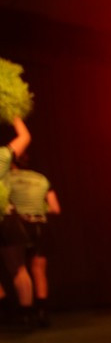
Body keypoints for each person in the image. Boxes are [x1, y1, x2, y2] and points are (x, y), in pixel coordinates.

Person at [7, 152, 57, 326]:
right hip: (41, 225)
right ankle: (43, 312)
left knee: (19, 269)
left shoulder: (7, 179)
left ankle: (25, 312)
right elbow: (55, 208)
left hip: (19, 226)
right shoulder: (42, 179)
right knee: (39, 270)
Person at [0, 116, 33, 324]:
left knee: (18, 268)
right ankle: (26, 314)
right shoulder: (2, 156)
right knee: (18, 268)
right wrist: (13, 113)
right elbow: (25, 136)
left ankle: (7, 312)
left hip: (5, 218)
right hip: (6, 217)